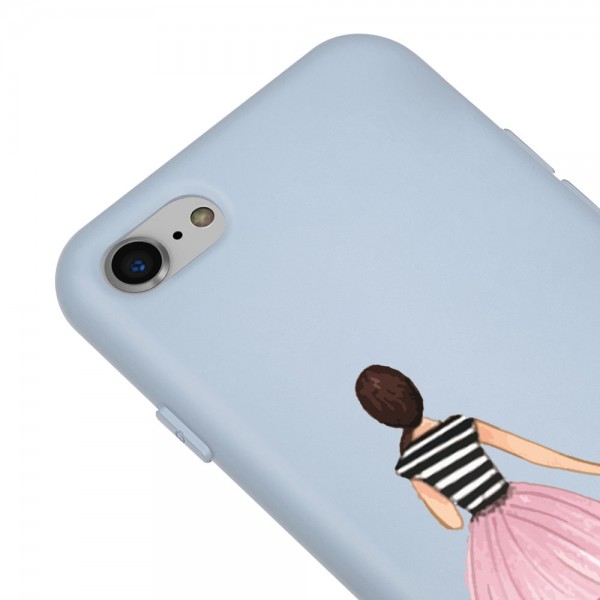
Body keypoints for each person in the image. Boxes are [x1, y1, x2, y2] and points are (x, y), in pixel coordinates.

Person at [355, 364, 600, 599]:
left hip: (492, 536)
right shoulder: (462, 426)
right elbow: (535, 454)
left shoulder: (411, 465)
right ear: (413, 391)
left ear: (380, 418)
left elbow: (453, 521)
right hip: (528, 506)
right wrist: (594, 468)